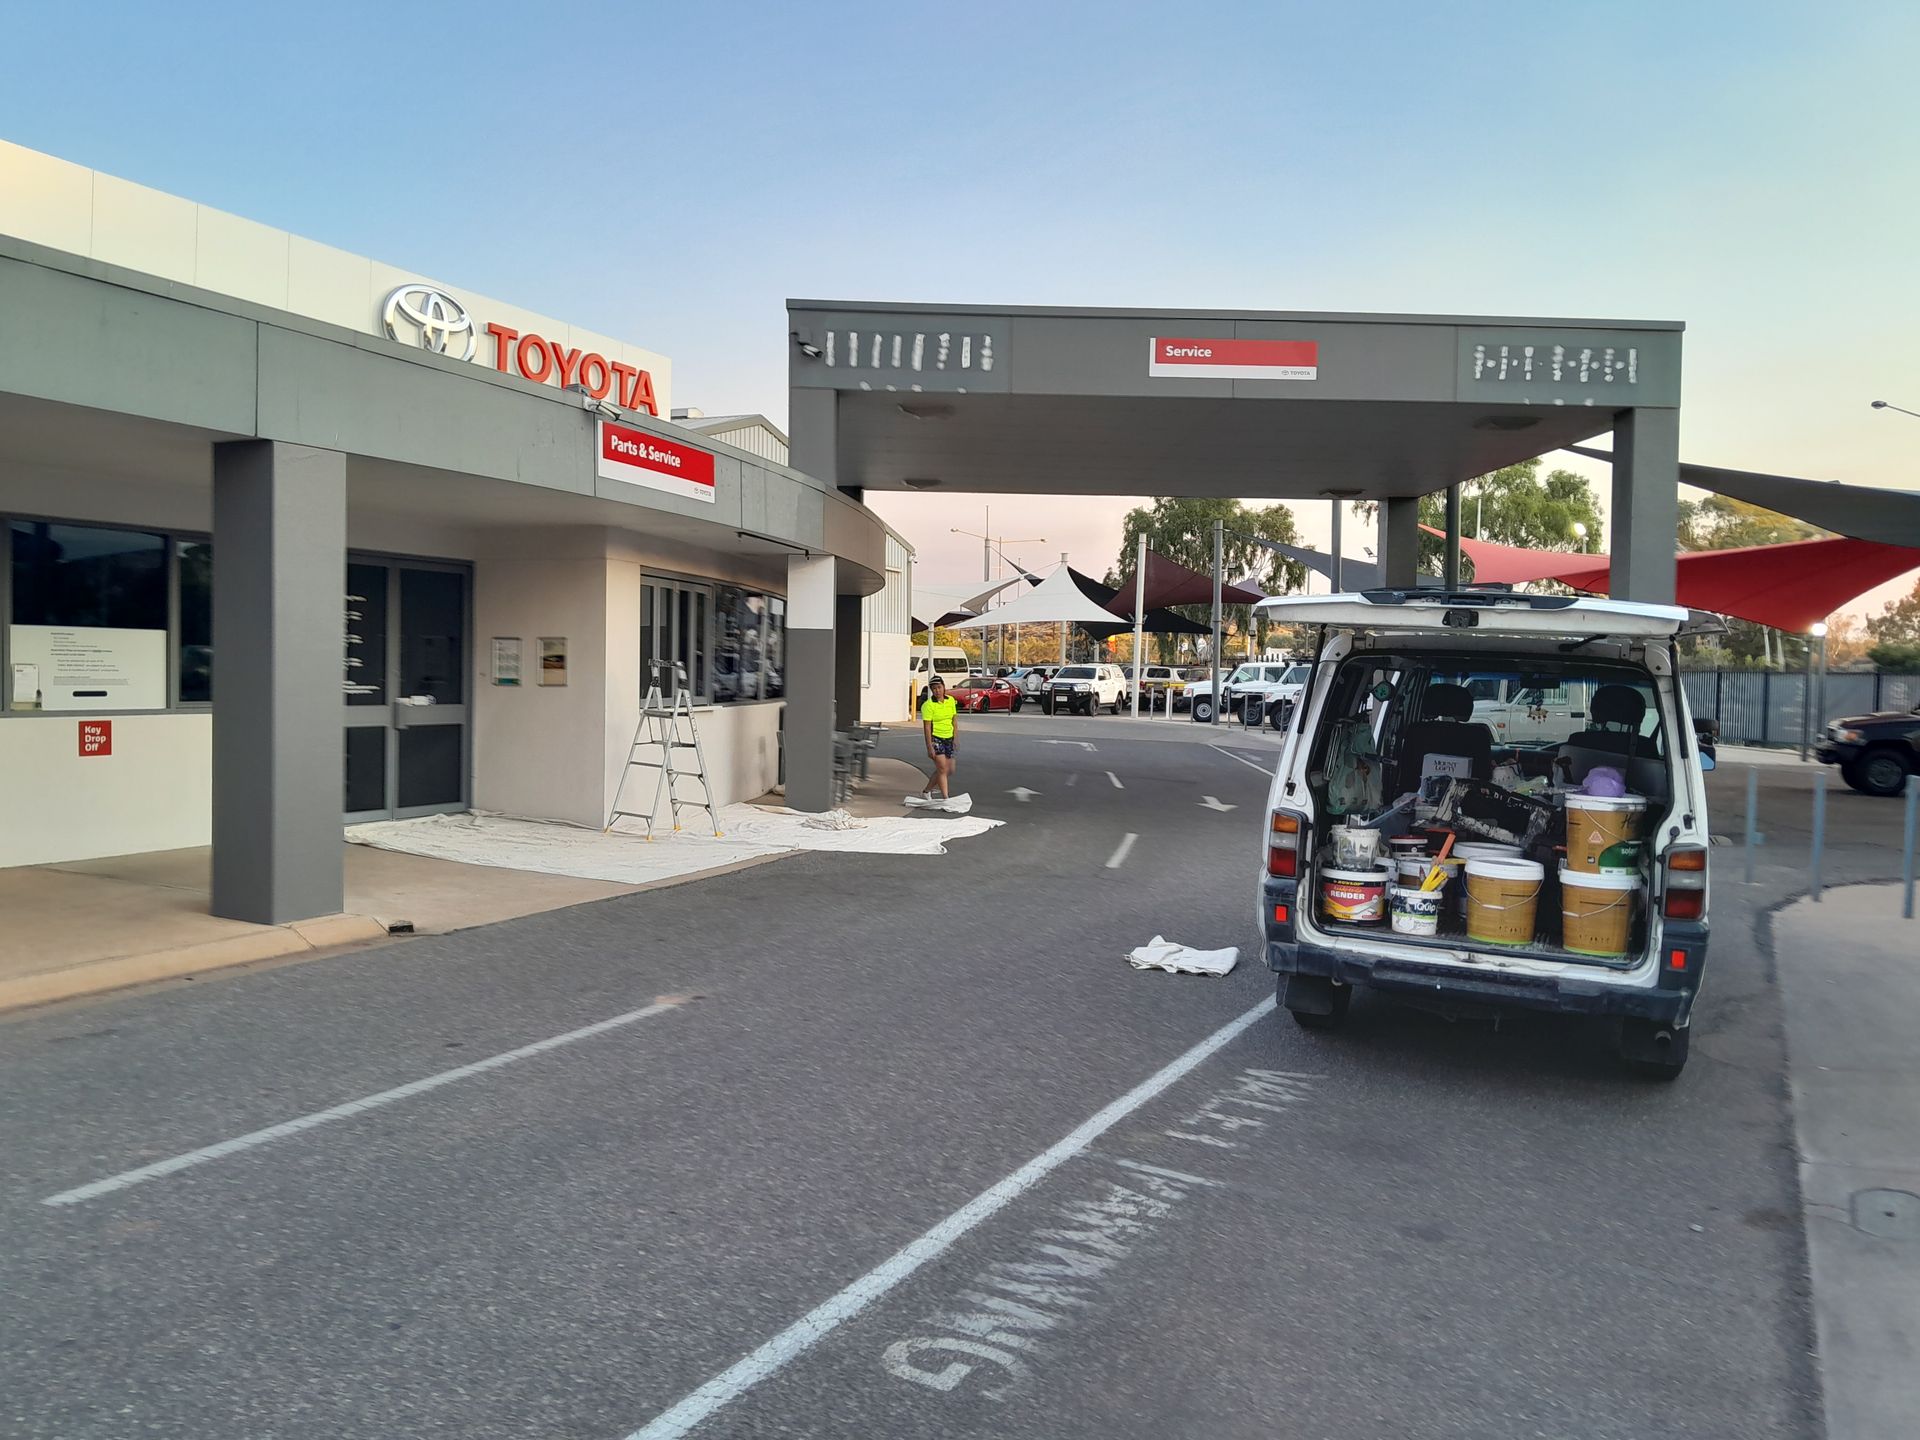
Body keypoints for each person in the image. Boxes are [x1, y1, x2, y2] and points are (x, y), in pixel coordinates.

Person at [910, 676, 959, 809]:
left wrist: (955, 737)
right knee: (942, 768)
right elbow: (926, 727)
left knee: (949, 769)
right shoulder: (928, 705)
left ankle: (926, 791)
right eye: (934, 689)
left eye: (939, 687)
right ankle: (945, 798)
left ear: (944, 687)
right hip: (936, 737)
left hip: (948, 737)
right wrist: (929, 746)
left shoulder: (951, 701)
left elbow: (954, 721)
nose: (937, 691)